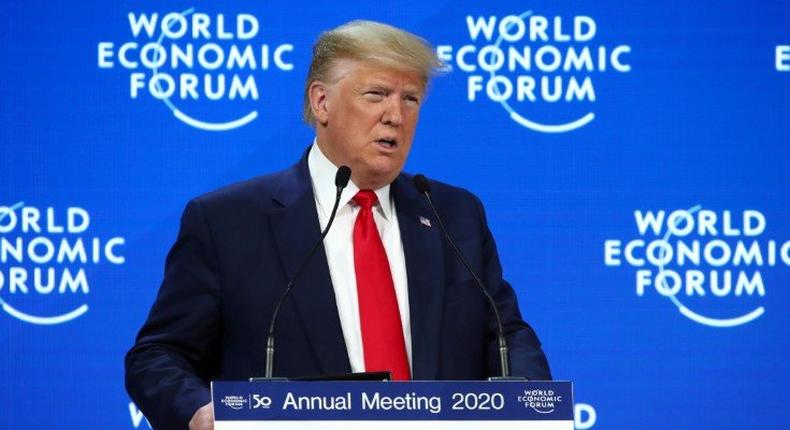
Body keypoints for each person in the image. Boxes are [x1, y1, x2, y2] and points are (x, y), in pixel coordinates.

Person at [125, 20, 551, 430]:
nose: (395, 117)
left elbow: (505, 334)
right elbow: (159, 354)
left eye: (411, 99)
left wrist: (531, 403)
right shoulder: (228, 221)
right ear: (321, 102)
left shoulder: (453, 214)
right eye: (377, 94)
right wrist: (198, 411)